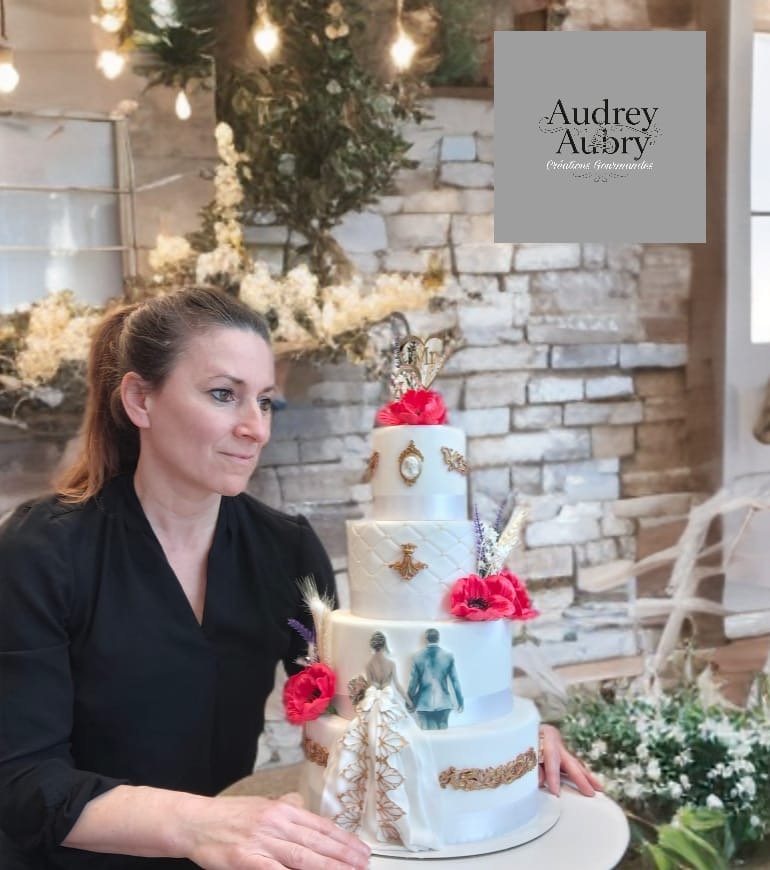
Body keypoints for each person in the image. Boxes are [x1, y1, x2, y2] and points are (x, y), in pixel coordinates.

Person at [0, 286, 600, 869]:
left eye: (264, 402)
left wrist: (496, 743)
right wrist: (198, 824)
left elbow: (364, 711)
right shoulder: (46, 549)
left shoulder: (285, 551)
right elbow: (22, 781)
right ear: (140, 400)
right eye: (222, 395)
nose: (255, 429)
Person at [320, 631, 438, 851]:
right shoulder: (390, 662)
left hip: (371, 702)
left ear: (373, 646)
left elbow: (367, 685)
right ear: (384, 646)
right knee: (392, 741)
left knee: (365, 737)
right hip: (387, 702)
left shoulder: (369, 662)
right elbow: (396, 687)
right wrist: (409, 702)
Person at [407, 628, 463, 730]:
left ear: (426, 638)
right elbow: (455, 681)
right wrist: (460, 700)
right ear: (438, 638)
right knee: (443, 737)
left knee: (427, 738)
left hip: (423, 703)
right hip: (444, 702)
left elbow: (413, 683)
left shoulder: (417, 656)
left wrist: (408, 701)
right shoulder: (448, 656)